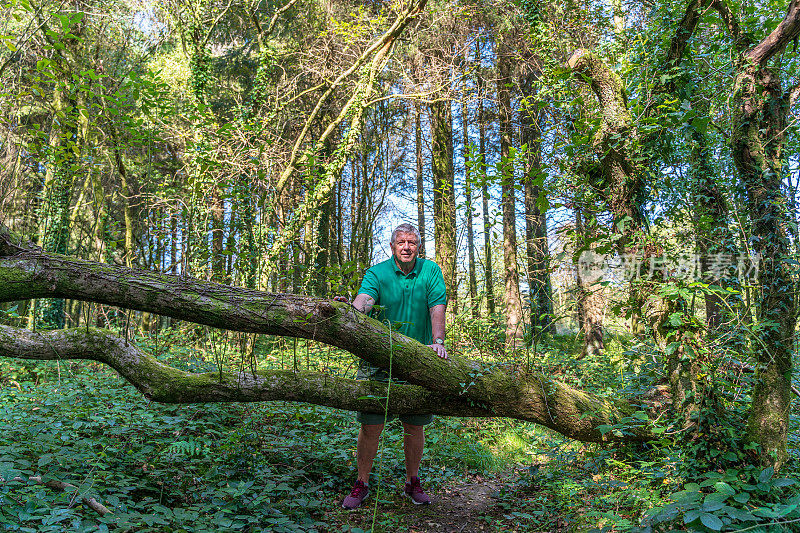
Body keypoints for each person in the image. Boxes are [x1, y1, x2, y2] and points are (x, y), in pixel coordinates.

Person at [340, 223, 448, 510]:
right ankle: (362, 483)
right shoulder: (377, 272)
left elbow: (437, 307)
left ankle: (412, 482)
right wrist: (348, 312)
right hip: (379, 360)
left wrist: (438, 340)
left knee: (414, 425)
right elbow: (364, 301)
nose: (406, 247)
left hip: (418, 359)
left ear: (418, 246)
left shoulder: (430, 271)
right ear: (392, 246)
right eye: (401, 241)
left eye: (412, 242)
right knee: (371, 425)